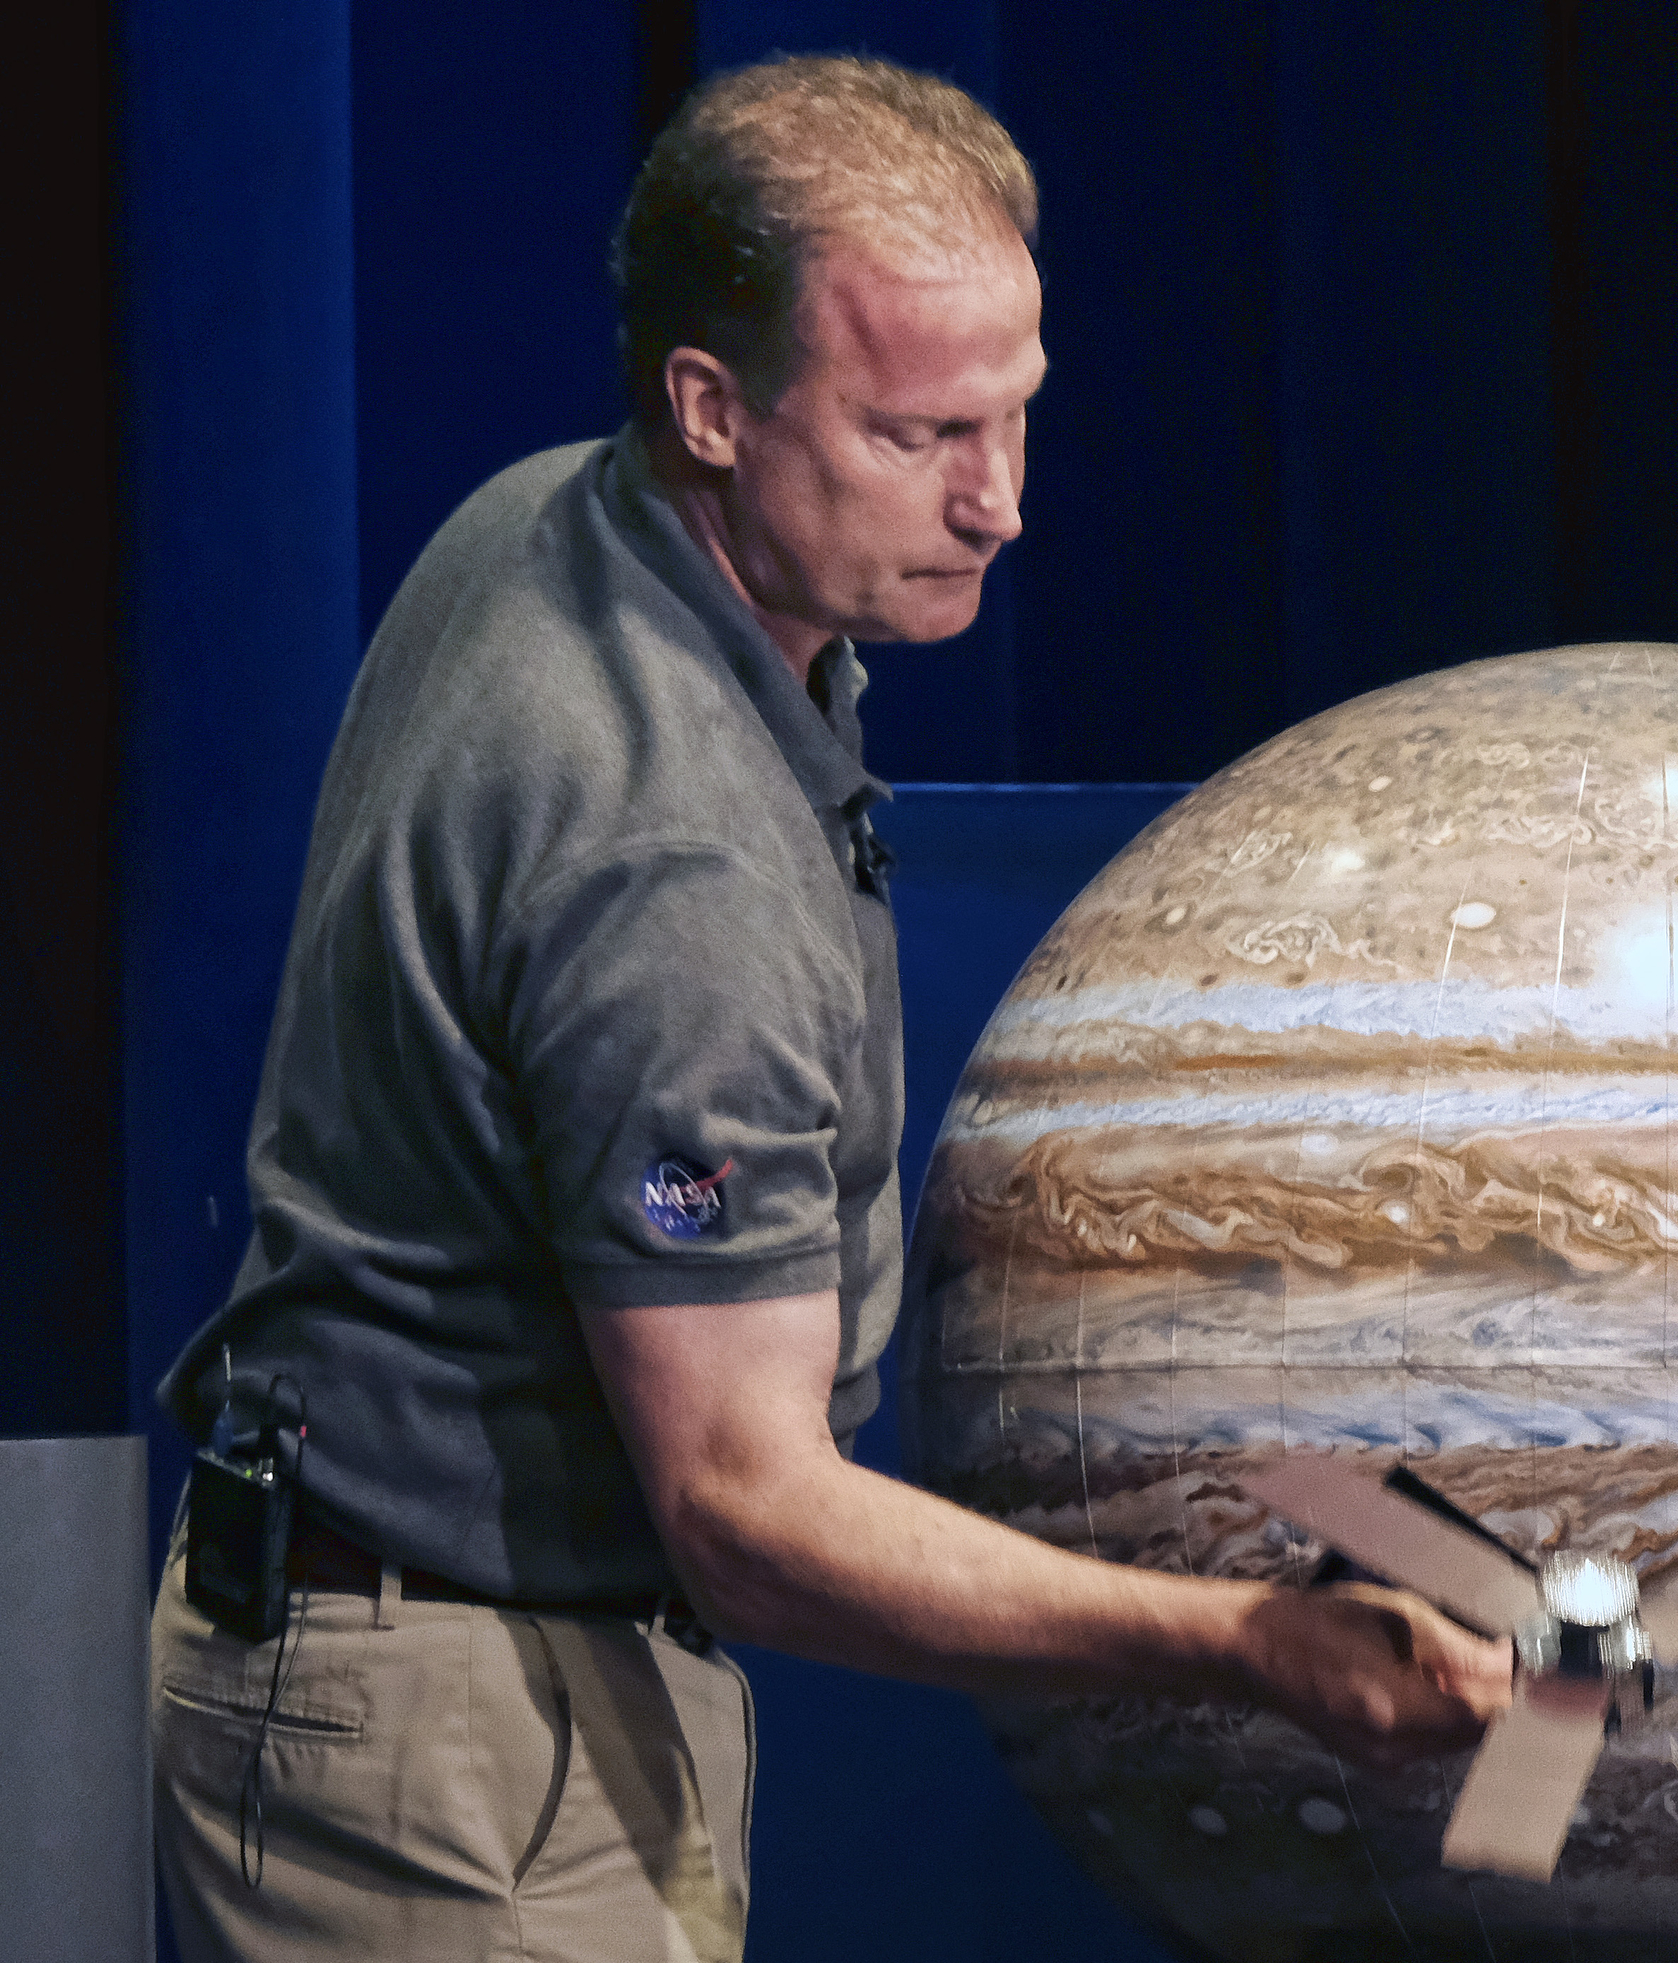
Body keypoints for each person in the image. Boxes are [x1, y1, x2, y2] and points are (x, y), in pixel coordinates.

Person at [148, 55, 1511, 1962]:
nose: (1001, 504)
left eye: (1018, 417)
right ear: (710, 407)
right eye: (918, 435)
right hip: (464, 1754)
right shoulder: (667, 861)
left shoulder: (558, 520)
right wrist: (1247, 1646)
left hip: (391, 1656)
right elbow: (746, 1509)